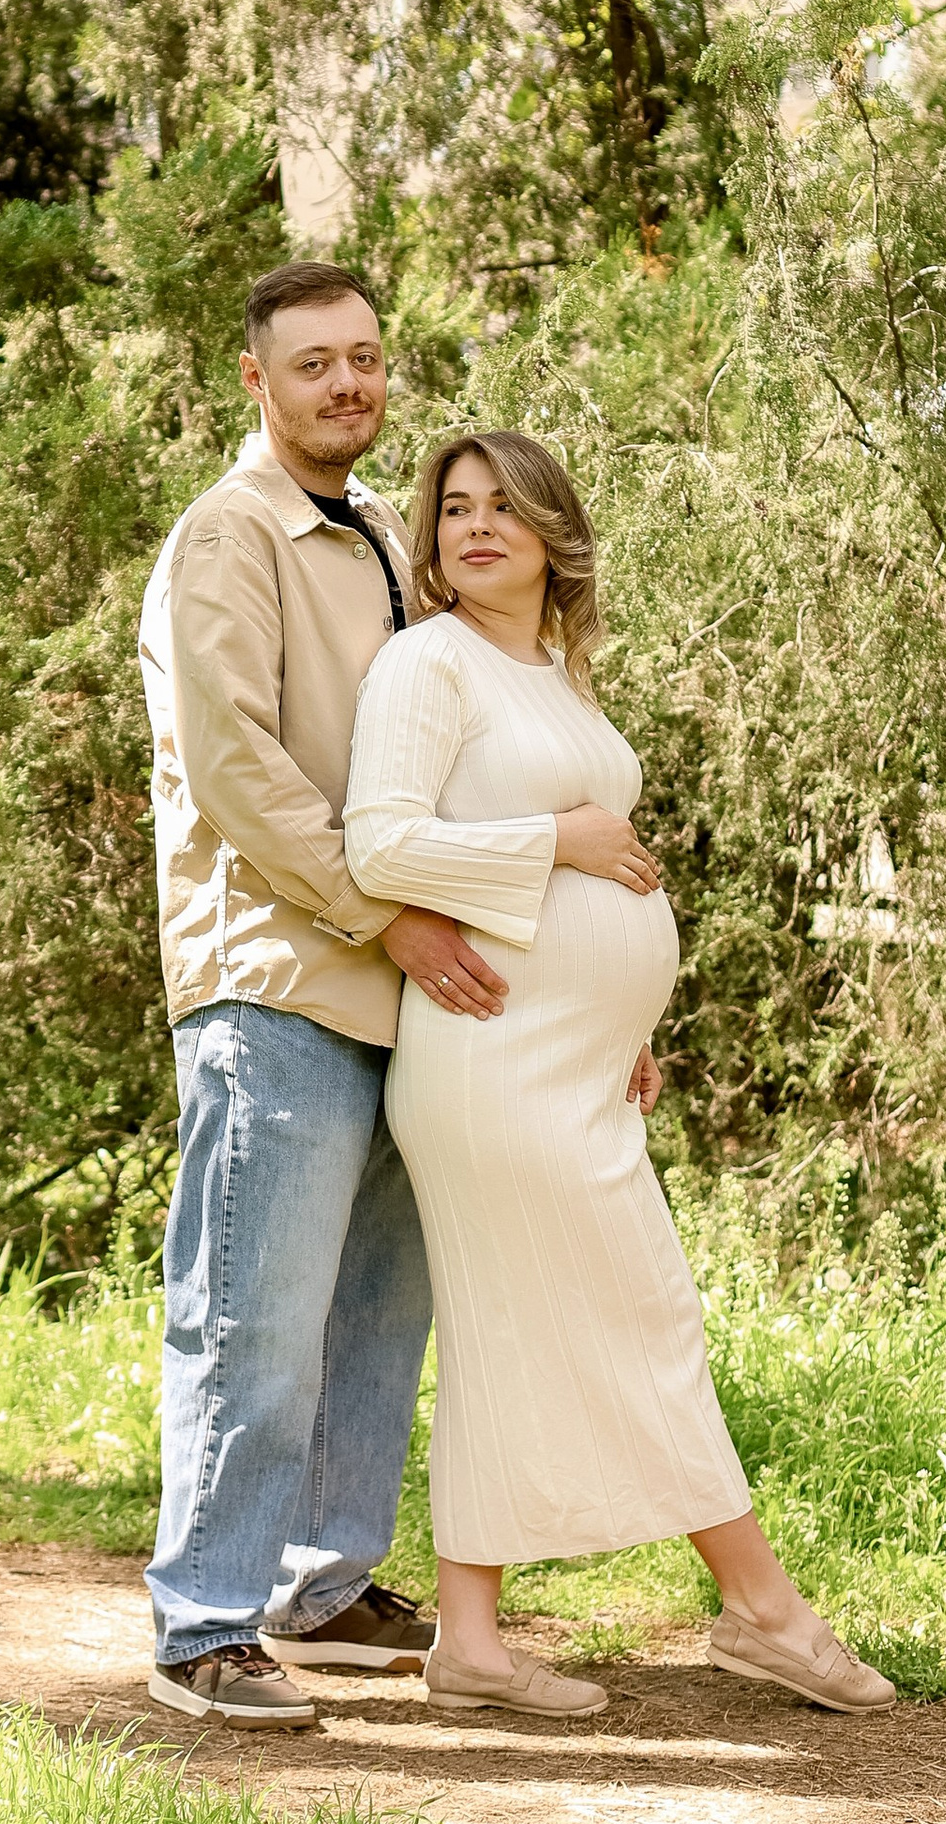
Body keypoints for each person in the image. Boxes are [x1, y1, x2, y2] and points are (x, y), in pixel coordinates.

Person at [343, 428, 894, 1718]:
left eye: (505, 507)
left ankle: (471, 1642)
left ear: (553, 532)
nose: (477, 528)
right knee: (642, 1314)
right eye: (455, 509)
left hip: (567, 1061)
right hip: (489, 1065)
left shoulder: (552, 673)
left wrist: (619, 1016)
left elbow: (588, 872)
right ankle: (764, 1611)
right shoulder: (430, 661)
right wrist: (561, 838)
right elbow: (382, 849)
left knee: (507, 1334)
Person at [134, 263, 514, 1730]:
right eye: (313, 363)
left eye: (364, 357)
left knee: (374, 1311)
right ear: (257, 380)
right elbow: (235, 768)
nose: (347, 384)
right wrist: (383, 917)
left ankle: (320, 1585)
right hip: (280, 978)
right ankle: (204, 1623)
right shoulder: (230, 536)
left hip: (406, 992)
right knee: (253, 1314)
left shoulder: (382, 540)